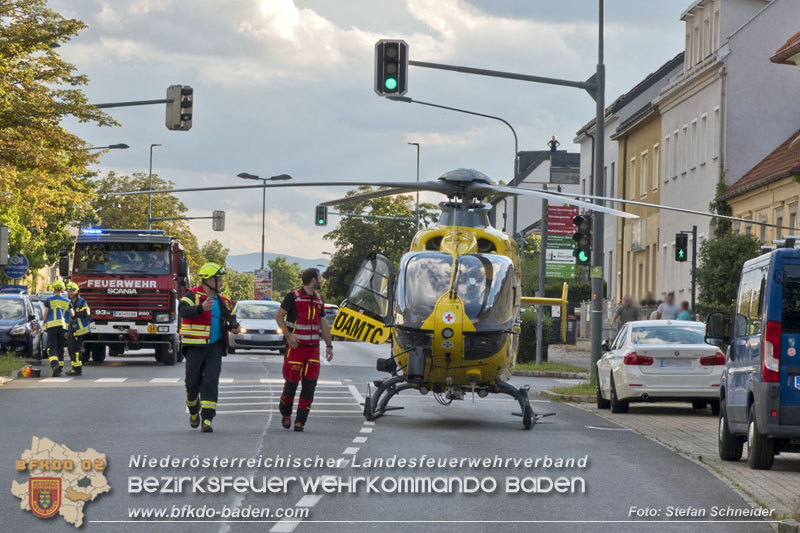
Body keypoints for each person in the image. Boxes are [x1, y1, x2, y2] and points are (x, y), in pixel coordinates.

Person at [178, 262, 239, 433]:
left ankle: (207, 418)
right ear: (208, 280)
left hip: (215, 348)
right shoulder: (192, 295)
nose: (221, 282)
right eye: (218, 279)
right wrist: (200, 308)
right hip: (194, 347)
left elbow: (228, 320)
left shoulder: (223, 301)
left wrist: (233, 326)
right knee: (192, 384)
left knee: (211, 382)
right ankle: (193, 410)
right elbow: (182, 310)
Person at [275, 268, 334, 432]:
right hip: (295, 348)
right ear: (313, 280)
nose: (322, 280)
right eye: (320, 277)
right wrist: (289, 336)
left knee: (309, 386)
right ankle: (285, 412)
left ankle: (300, 421)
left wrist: (329, 346)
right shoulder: (293, 296)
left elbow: (324, 324)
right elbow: (279, 316)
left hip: (313, 349)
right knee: (291, 385)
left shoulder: (319, 300)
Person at [43, 280, 71, 376]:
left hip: (51, 327)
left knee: (52, 347)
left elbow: (46, 313)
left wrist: (43, 323)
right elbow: (72, 314)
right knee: (60, 347)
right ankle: (60, 368)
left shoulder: (49, 300)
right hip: (62, 327)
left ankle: (55, 365)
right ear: (63, 290)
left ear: (53, 289)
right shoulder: (67, 301)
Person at [64, 282, 91, 376]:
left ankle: (77, 369)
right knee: (71, 349)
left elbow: (86, 313)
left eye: (72, 291)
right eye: (69, 291)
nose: (70, 293)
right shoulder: (69, 302)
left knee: (76, 350)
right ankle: (74, 368)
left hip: (79, 330)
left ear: (77, 291)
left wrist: (74, 314)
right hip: (72, 329)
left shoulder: (82, 302)